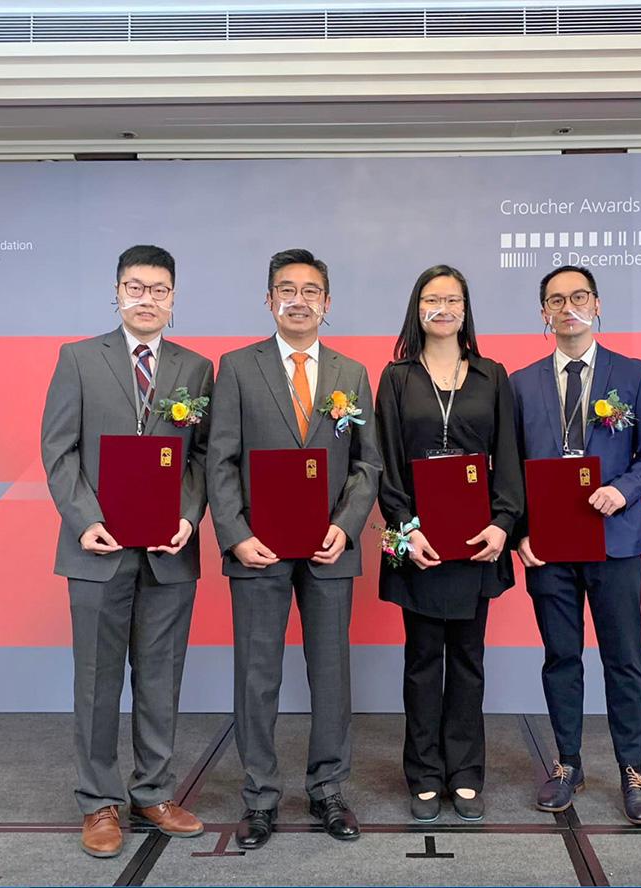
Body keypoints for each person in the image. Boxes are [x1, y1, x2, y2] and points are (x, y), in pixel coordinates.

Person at [40, 244, 214, 857]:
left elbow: (200, 458)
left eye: (159, 289)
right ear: (116, 293)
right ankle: (98, 803)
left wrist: (189, 518)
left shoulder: (196, 368)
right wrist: (84, 519)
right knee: (96, 679)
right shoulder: (80, 359)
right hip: (97, 548)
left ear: (174, 296)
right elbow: (58, 451)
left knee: (161, 677)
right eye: (135, 288)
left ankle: (154, 790)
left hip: (168, 551)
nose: (147, 299)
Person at [206, 248, 382, 849]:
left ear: (327, 303)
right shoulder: (235, 367)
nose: (298, 299)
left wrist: (347, 524)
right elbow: (220, 461)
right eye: (286, 288)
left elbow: (368, 463)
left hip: (330, 547)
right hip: (257, 547)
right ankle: (259, 796)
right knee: (257, 676)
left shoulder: (351, 373)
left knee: (330, 673)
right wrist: (236, 534)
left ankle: (329, 790)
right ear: (268, 299)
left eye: (311, 290)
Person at [510, 265, 641, 825]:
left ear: (596, 305)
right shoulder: (521, 383)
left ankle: (632, 768)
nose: (568, 307)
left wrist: (622, 492)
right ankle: (567, 763)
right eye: (556, 300)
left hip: (616, 539)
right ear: (544, 313)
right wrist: (520, 532)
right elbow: (511, 468)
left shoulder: (633, 373)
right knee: (561, 656)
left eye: (578, 297)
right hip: (549, 544)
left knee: (623, 659)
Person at [374, 265, 524, 823]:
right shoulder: (396, 378)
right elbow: (386, 463)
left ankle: (465, 772)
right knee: (420, 661)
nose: (443, 308)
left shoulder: (491, 375)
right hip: (418, 541)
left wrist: (504, 523)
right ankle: (423, 773)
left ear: (466, 309)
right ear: (417, 308)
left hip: (476, 539)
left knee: (467, 659)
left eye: (453, 299)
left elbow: (507, 457)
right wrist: (405, 531)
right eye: (432, 299)